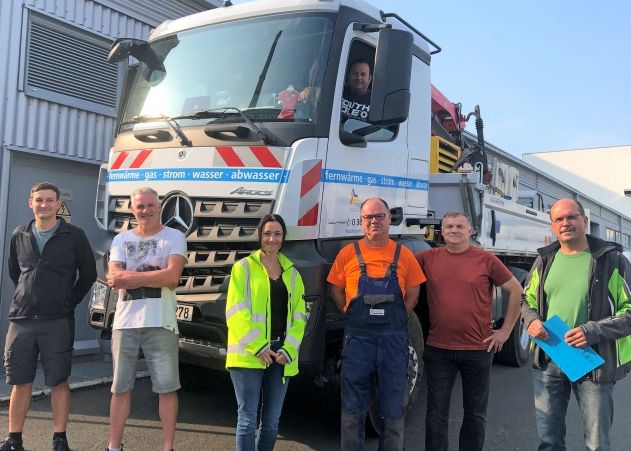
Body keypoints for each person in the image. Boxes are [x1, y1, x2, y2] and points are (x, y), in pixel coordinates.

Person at [523, 198, 631, 451]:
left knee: (597, 444)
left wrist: (590, 331)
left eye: (571, 217)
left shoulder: (611, 260)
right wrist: (533, 321)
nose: (565, 223)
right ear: (552, 226)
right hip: (549, 360)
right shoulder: (545, 260)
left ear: (585, 221)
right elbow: (525, 300)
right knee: (549, 442)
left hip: (593, 361)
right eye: (558, 219)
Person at [1, 182, 96, 451]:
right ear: (30, 203)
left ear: (58, 204)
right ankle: (14, 439)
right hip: (21, 320)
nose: (44, 204)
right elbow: (15, 272)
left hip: (57, 321)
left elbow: (88, 274)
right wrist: (27, 294)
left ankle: (59, 439)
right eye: (39, 200)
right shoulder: (19, 234)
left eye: (49, 200)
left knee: (58, 380)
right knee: (20, 382)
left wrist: (68, 301)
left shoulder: (74, 235)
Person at [416, 211, 522, 451]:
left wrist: (505, 331)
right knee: (436, 415)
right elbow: (398, 267)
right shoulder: (427, 258)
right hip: (439, 350)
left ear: (470, 230)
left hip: (479, 349)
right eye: (449, 226)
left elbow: (516, 291)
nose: (454, 230)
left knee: (475, 415)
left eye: (460, 226)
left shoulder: (485, 259)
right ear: (441, 232)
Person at [327, 197, 425, 451]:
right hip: (358, 341)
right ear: (361, 222)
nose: (374, 222)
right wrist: (349, 310)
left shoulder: (404, 255)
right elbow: (336, 291)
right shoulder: (347, 253)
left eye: (379, 216)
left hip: (393, 341)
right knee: (352, 411)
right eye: (368, 217)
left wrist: (399, 315)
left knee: (394, 410)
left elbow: (413, 294)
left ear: (389, 219)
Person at [106, 187, 187, 451]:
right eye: (140, 206)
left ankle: (167, 447)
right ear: (132, 210)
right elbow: (113, 279)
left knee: (167, 388)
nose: (146, 211)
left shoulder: (174, 237)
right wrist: (155, 273)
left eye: (151, 205)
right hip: (125, 324)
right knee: (120, 389)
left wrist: (132, 276)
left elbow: (172, 278)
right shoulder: (120, 240)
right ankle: (113, 446)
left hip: (161, 323)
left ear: (159, 206)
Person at [226, 214, 306, 451]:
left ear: (283, 237)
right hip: (249, 354)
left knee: (271, 423)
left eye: (277, 234)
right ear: (260, 235)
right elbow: (235, 312)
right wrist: (259, 346)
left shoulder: (292, 273)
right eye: (267, 233)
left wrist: (289, 348)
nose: (272, 239)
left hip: (281, 355)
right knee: (248, 420)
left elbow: (300, 316)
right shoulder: (243, 269)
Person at [340, 58, 372, 123]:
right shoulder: (337, 93)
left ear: (369, 79)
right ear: (349, 76)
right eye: (355, 73)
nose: (359, 77)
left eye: (363, 74)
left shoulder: (377, 103)